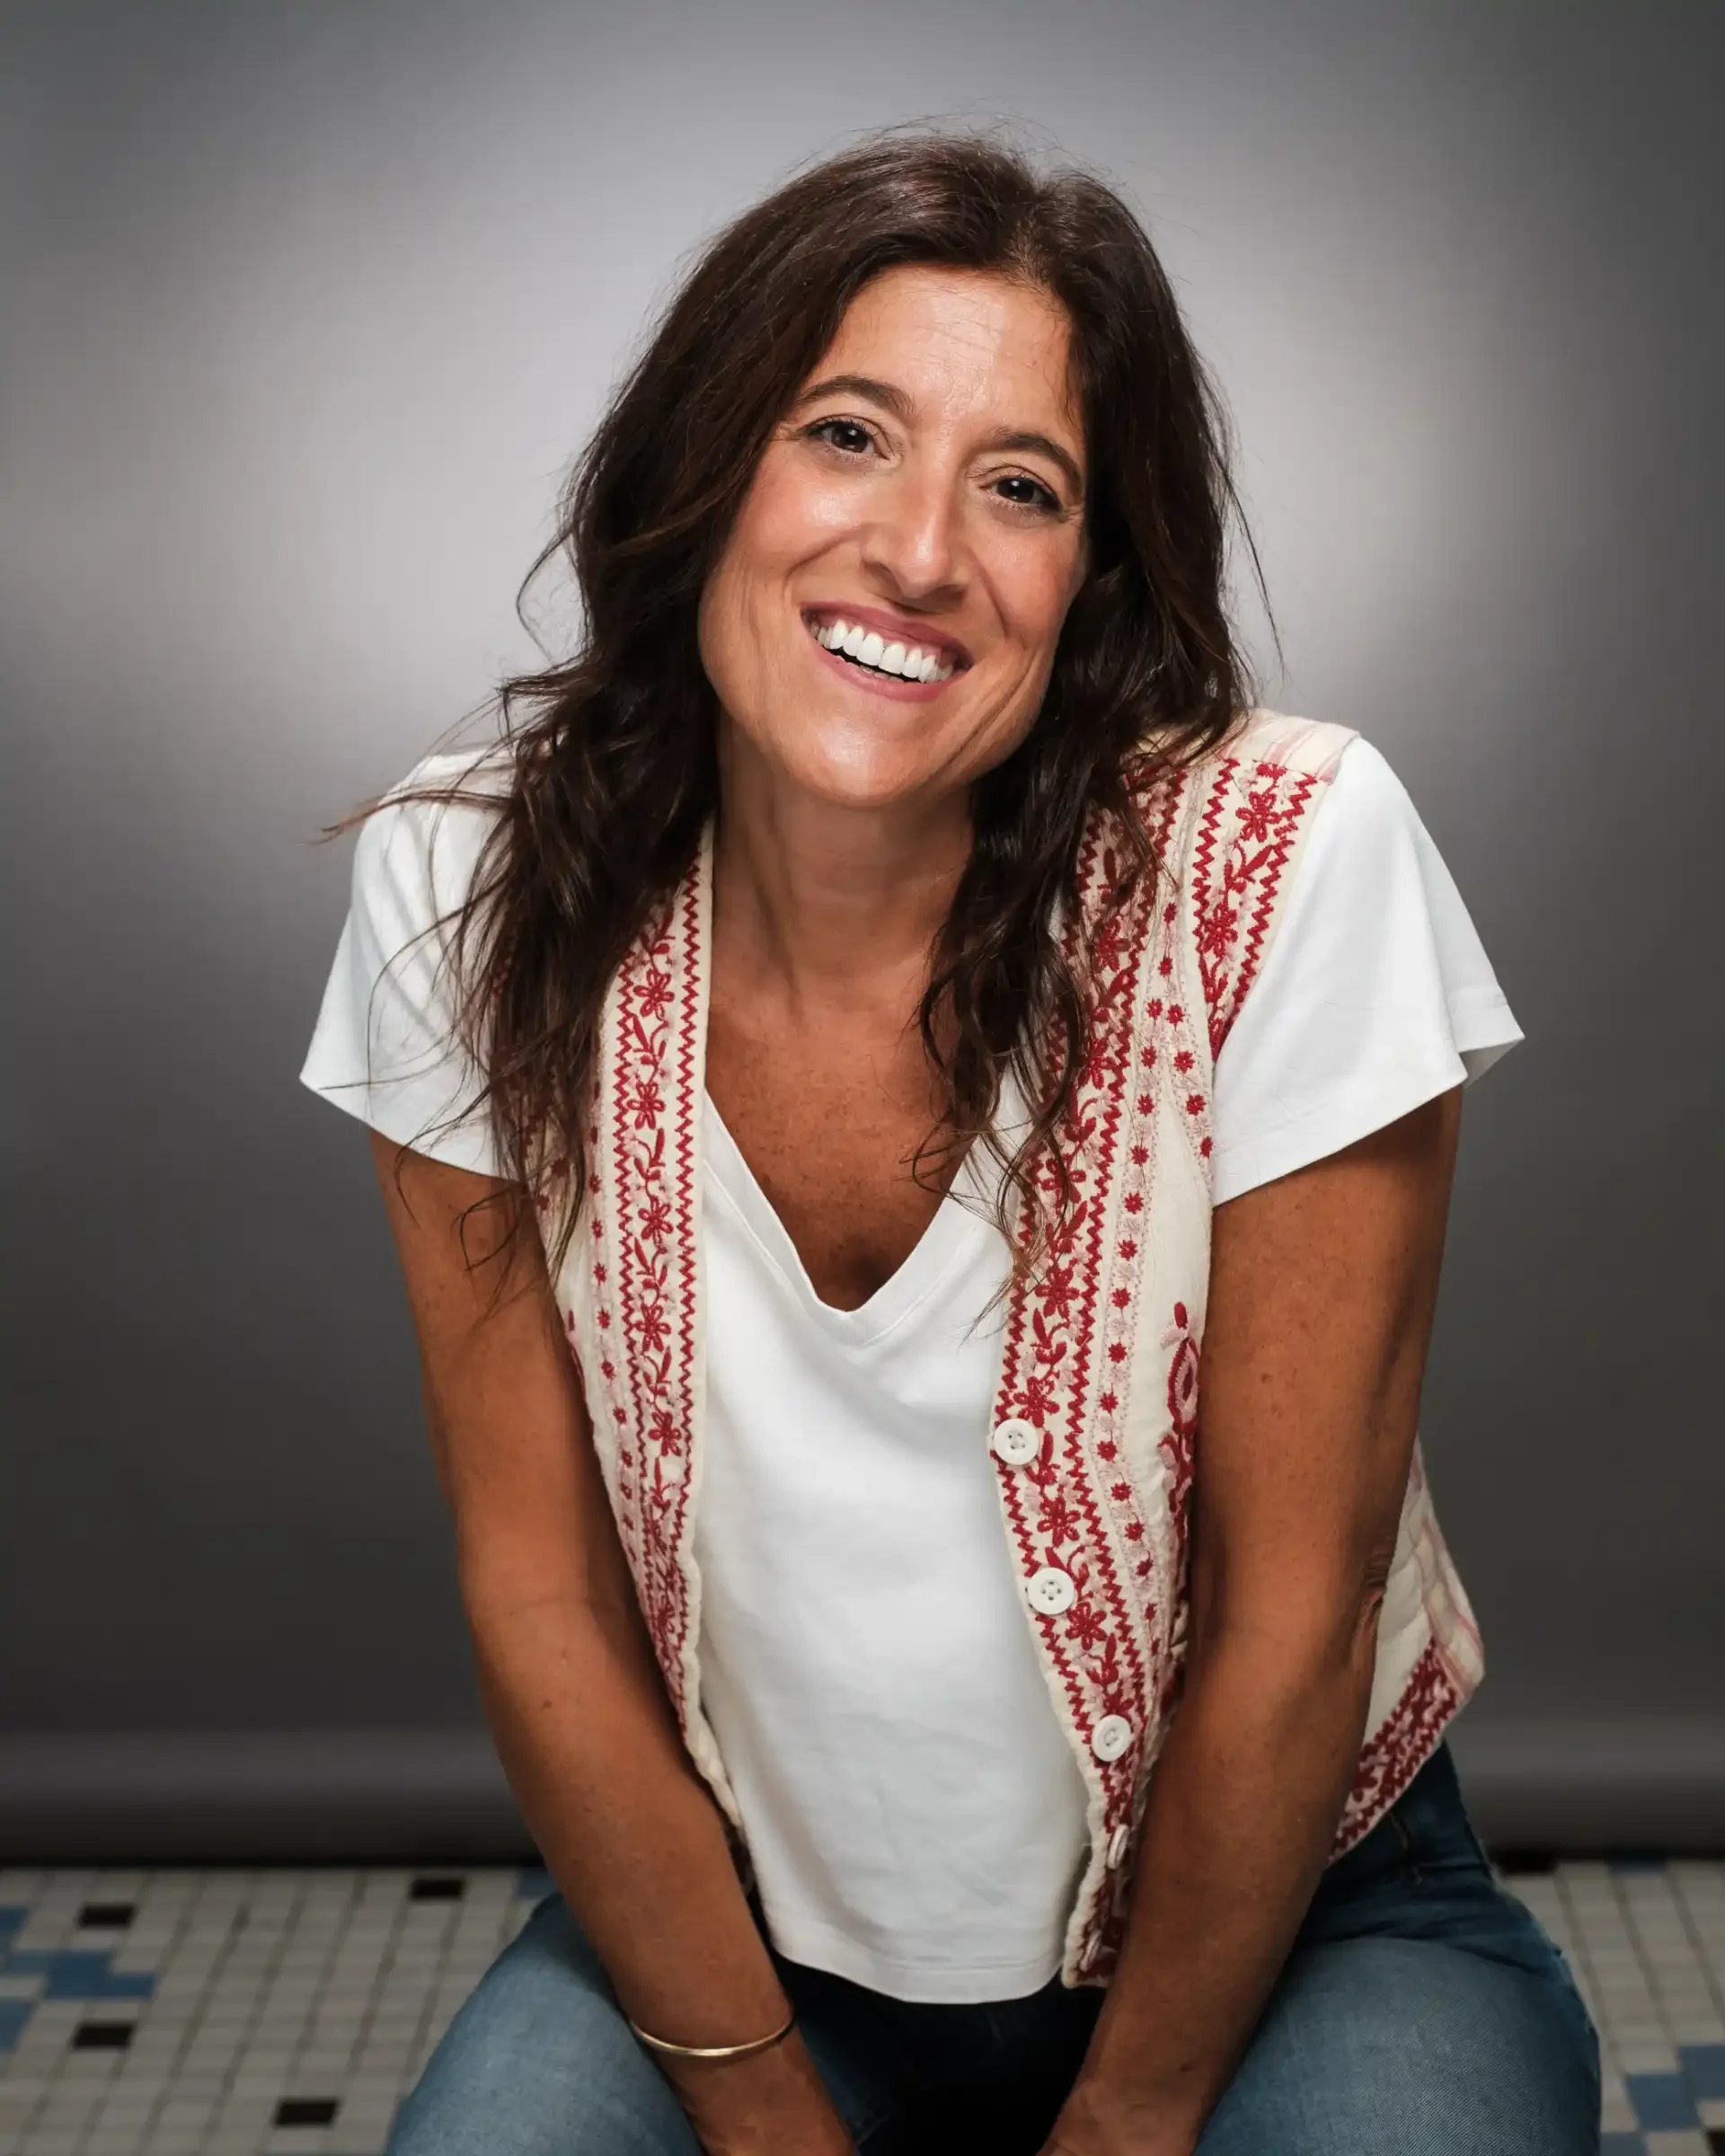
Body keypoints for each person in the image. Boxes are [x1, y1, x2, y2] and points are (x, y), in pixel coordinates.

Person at [301, 134, 1599, 2155]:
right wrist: (753, 2107)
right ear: (706, 465)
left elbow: (1295, 1611)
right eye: (847, 434)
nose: (921, 550)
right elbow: (538, 1595)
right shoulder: (467, 882)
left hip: (1297, 1937)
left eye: (1023, 486)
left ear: (1085, 583)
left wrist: (1129, 2116)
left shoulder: (1277, 861)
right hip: (753, 1956)